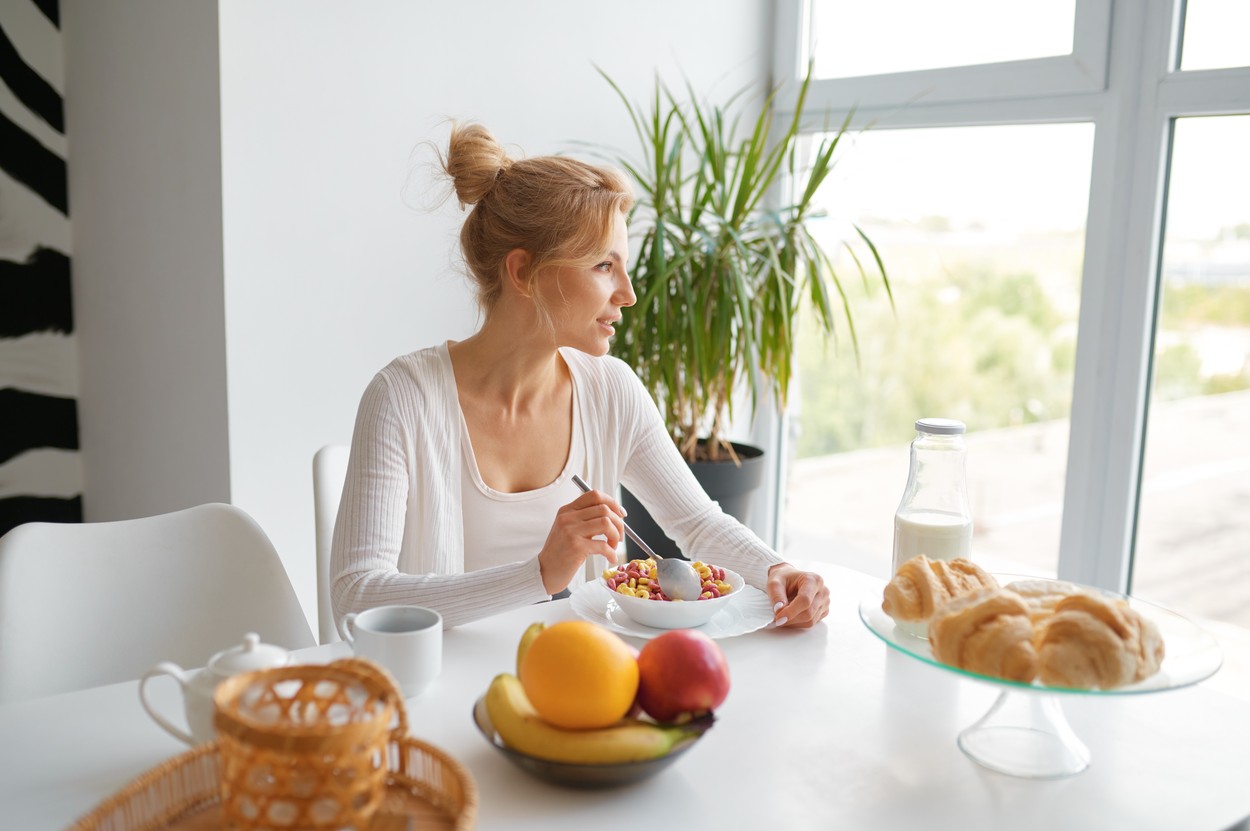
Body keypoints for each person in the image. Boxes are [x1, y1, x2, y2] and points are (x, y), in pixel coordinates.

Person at [330, 123, 830, 630]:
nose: (629, 294)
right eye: (602, 266)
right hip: (449, 697)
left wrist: (779, 570)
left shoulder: (611, 390)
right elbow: (356, 594)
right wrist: (539, 574)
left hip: (584, 683)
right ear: (523, 272)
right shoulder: (402, 398)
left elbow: (697, 523)